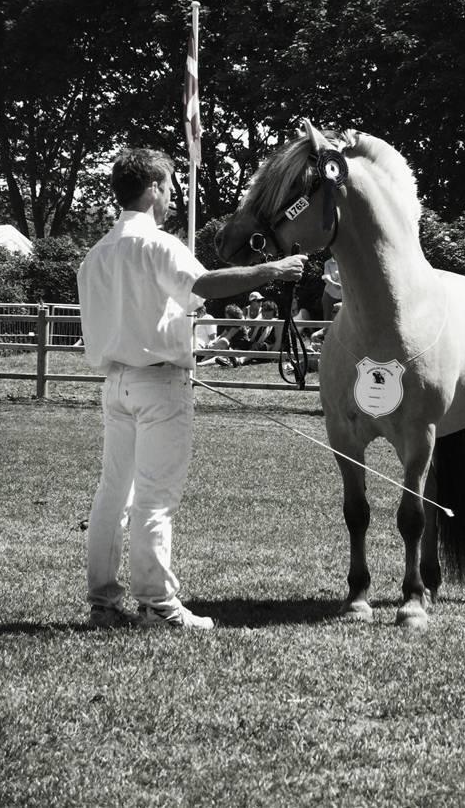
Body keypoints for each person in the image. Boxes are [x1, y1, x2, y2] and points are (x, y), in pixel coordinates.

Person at [77, 148, 306, 631]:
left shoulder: (95, 255)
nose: (171, 197)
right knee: (155, 498)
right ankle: (158, 605)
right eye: (169, 187)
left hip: (115, 383)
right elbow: (203, 283)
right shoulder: (159, 245)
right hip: (159, 382)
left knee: (112, 495)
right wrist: (271, 271)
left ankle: (103, 602)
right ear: (155, 187)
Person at [321, 254, 342, 322]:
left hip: (343, 297)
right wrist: (334, 283)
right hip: (329, 296)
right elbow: (326, 276)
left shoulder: (345, 261)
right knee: (327, 320)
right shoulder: (328, 263)